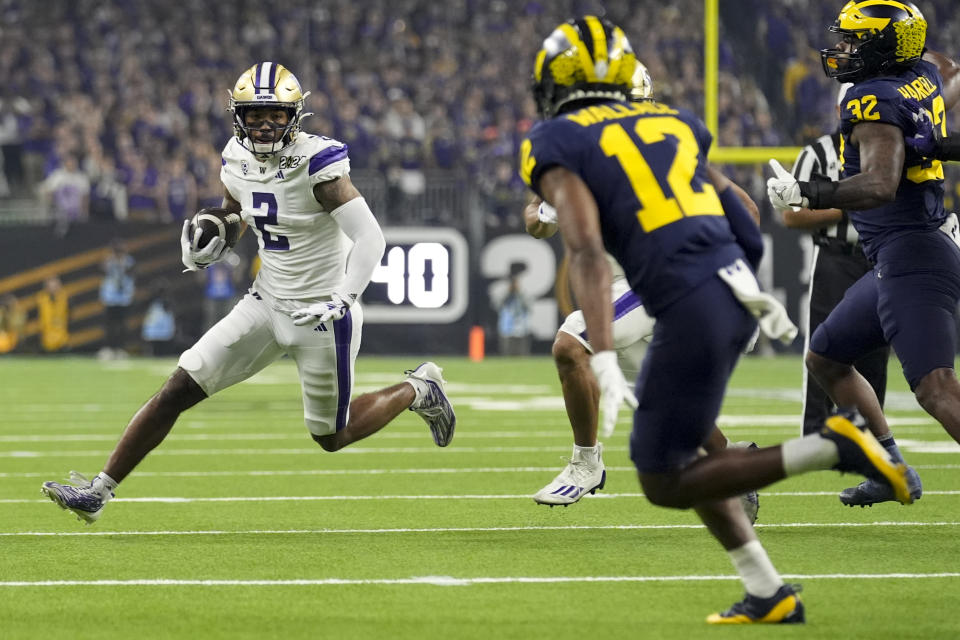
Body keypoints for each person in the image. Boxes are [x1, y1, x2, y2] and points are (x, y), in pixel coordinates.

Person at [521, 16, 910, 625]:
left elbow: (589, 253)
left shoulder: (561, 142)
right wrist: (745, 279)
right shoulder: (674, 127)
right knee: (686, 445)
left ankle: (832, 445)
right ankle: (767, 590)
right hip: (715, 285)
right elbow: (740, 206)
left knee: (658, 474)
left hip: (673, 289)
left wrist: (598, 346)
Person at [42, 61, 456, 525]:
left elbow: (371, 238)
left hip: (320, 314)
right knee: (179, 385)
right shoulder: (234, 157)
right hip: (264, 301)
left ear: (294, 115)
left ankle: (418, 388)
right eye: (255, 113)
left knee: (331, 436)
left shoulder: (318, 164)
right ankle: (99, 491)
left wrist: (344, 297)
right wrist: (212, 240)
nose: (264, 123)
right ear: (238, 114)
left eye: (275, 114)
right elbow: (237, 215)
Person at [525, 63, 761, 523]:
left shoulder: (662, 144)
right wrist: (546, 213)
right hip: (622, 283)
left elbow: (745, 208)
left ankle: (586, 464)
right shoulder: (571, 147)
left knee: (571, 345)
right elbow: (533, 218)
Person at [768, 2, 960, 501]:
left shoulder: (872, 98)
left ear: (882, 45)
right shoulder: (922, 73)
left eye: (854, 40)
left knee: (935, 389)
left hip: (912, 253)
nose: (843, 49)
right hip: (898, 256)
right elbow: (950, 73)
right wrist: (934, 133)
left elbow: (878, 184)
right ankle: (890, 466)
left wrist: (807, 193)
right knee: (826, 357)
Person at [782, 81, 914, 507]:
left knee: (874, 356)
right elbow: (791, 217)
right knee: (823, 349)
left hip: (882, 256)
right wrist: (851, 200)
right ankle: (821, 435)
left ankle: (871, 442)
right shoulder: (819, 152)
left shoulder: (895, 145)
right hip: (837, 258)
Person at [98, 239, 135, 360]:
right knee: (109, 325)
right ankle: (108, 348)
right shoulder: (108, 261)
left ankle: (120, 348)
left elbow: (131, 274)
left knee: (121, 325)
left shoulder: (129, 262)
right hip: (110, 297)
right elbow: (102, 271)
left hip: (123, 298)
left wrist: (122, 265)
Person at [496, 272, 532, 356]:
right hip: (507, 326)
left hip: (522, 326)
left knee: (522, 351)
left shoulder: (523, 294)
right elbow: (498, 306)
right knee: (507, 351)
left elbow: (528, 307)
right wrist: (507, 293)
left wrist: (519, 293)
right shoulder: (504, 294)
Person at [37, 276, 69, 353]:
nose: (53, 289)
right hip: (45, 337)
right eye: (50, 286)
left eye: (55, 286)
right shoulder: (41, 299)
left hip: (62, 339)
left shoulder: (65, 298)